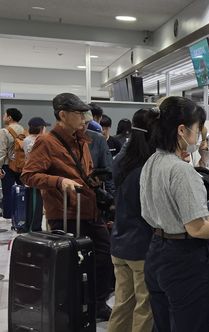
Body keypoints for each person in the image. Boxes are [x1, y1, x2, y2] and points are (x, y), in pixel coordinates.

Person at [21, 92, 115, 321]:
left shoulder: (82, 139)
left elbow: (82, 172)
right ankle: (74, 306)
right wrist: (59, 182)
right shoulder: (46, 141)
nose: (85, 118)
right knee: (72, 264)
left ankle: (96, 303)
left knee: (104, 256)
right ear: (62, 115)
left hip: (89, 210)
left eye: (86, 113)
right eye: (79, 113)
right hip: (66, 214)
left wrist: (94, 180)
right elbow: (29, 175)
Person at [140, 96, 209, 332]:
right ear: (181, 130)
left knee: (163, 324)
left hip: (156, 250)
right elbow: (197, 227)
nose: (198, 138)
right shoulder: (181, 171)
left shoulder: (153, 161)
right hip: (185, 259)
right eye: (197, 130)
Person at [107, 108, 157, 332]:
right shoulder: (148, 167)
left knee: (123, 304)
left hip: (119, 242)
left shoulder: (122, 160)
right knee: (144, 307)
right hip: (142, 247)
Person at [21, 117, 50, 232]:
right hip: (35, 176)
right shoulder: (34, 140)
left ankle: (31, 226)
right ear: (41, 128)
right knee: (35, 204)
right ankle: (33, 228)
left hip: (32, 175)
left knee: (34, 204)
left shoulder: (29, 139)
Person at [0, 107, 24, 220]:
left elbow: (2, 151)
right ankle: (22, 213)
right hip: (21, 164)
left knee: (8, 192)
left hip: (7, 165)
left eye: (5, 115)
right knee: (23, 190)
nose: (3, 117)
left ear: (9, 117)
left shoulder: (4, 131)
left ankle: (8, 216)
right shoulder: (24, 130)